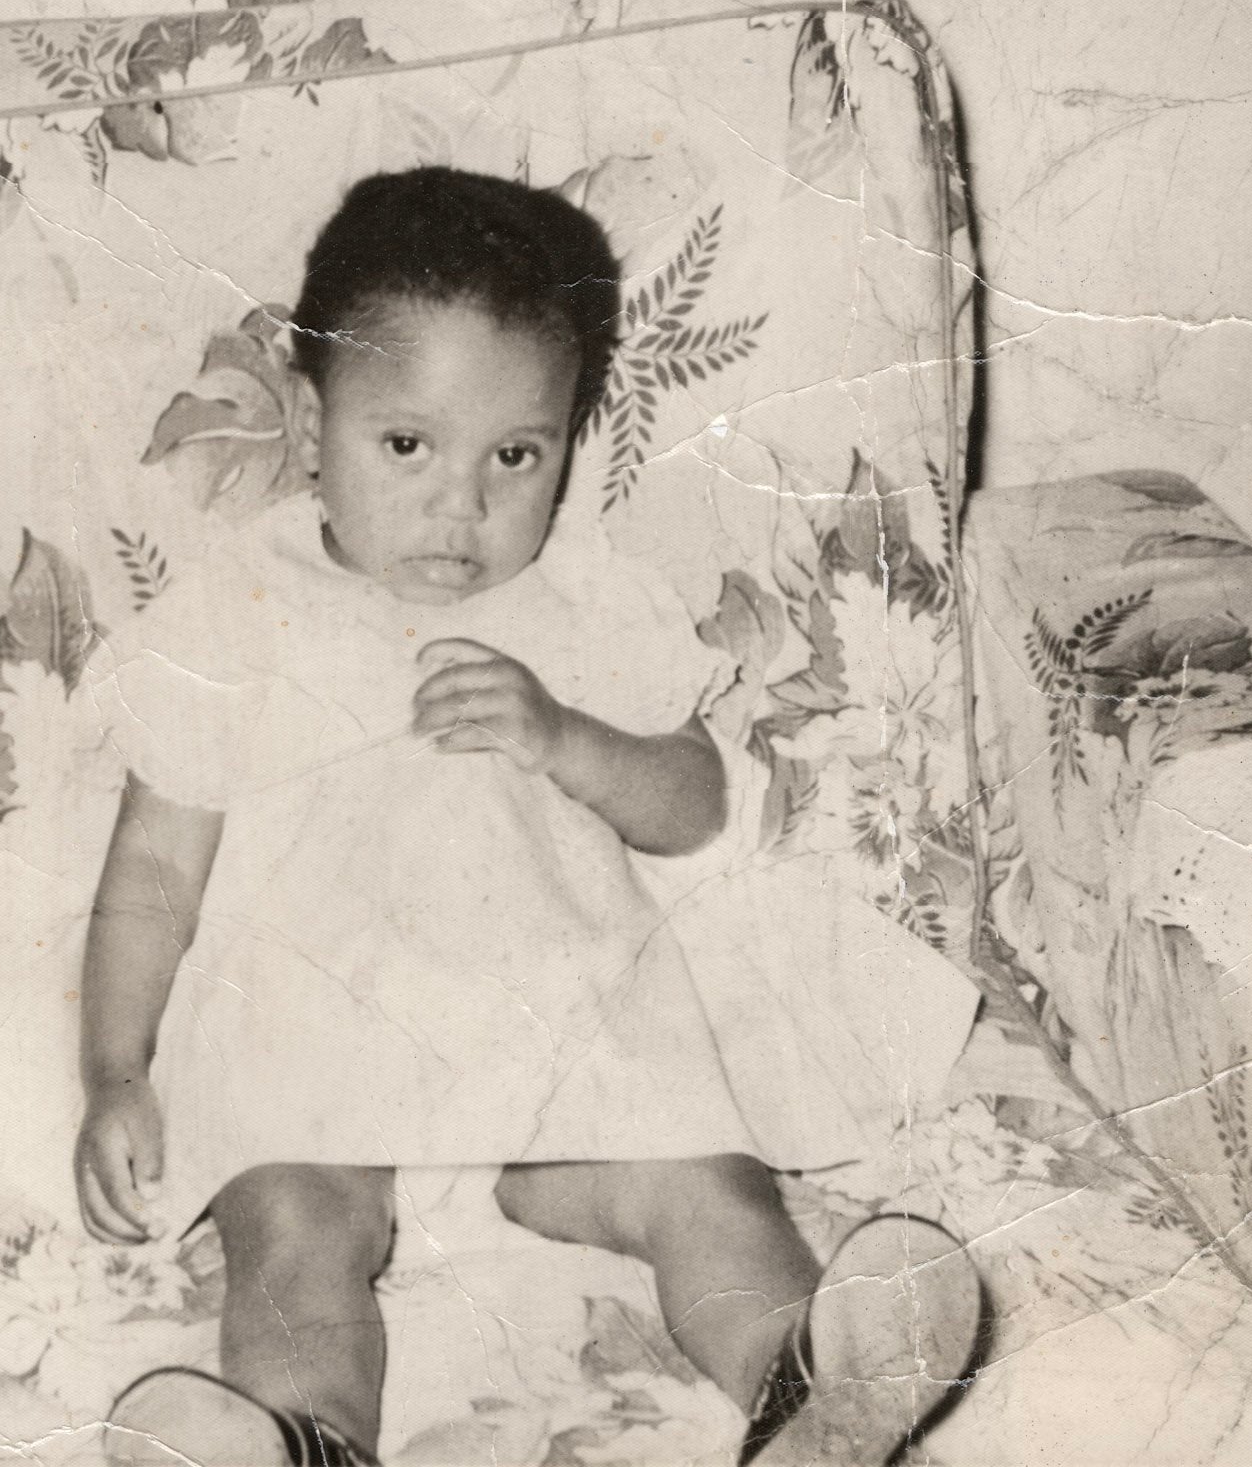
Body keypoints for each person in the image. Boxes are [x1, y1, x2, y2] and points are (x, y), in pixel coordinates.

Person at [79, 166, 981, 1467]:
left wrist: (567, 738)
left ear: (571, 435)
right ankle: (301, 1443)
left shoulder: (580, 601)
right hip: (314, 1039)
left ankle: (807, 1397)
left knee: (705, 1187)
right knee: (289, 1232)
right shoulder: (236, 611)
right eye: (408, 446)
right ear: (307, 407)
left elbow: (691, 807)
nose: (464, 506)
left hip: (565, 1036)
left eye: (518, 454)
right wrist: (115, 1072)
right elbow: (154, 869)